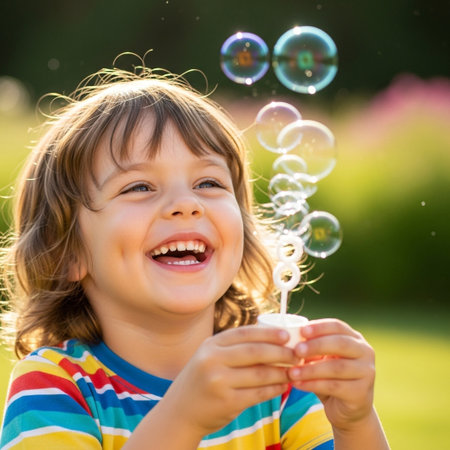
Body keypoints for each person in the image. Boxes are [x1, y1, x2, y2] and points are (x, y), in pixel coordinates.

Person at [0, 66, 389, 449]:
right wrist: (184, 417)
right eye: (139, 186)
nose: (186, 204)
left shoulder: (281, 388)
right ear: (67, 252)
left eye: (209, 182)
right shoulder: (55, 387)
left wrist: (354, 425)